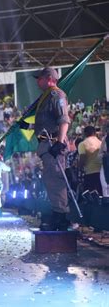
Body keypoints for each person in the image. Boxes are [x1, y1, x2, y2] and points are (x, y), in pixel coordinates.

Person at [27, 67, 71, 231]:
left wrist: (59, 142)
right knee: (50, 181)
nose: (38, 81)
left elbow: (63, 120)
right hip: (46, 143)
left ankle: (61, 216)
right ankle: (56, 212)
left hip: (53, 143)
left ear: (49, 78)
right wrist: (27, 125)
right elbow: (45, 123)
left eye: (40, 78)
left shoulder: (56, 95)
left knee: (56, 180)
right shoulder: (45, 97)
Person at [78, 125, 102, 195]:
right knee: (100, 195)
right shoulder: (101, 143)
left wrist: (79, 168)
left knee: (90, 196)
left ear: (85, 134)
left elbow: (82, 158)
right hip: (101, 173)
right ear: (94, 133)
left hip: (90, 173)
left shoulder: (82, 144)